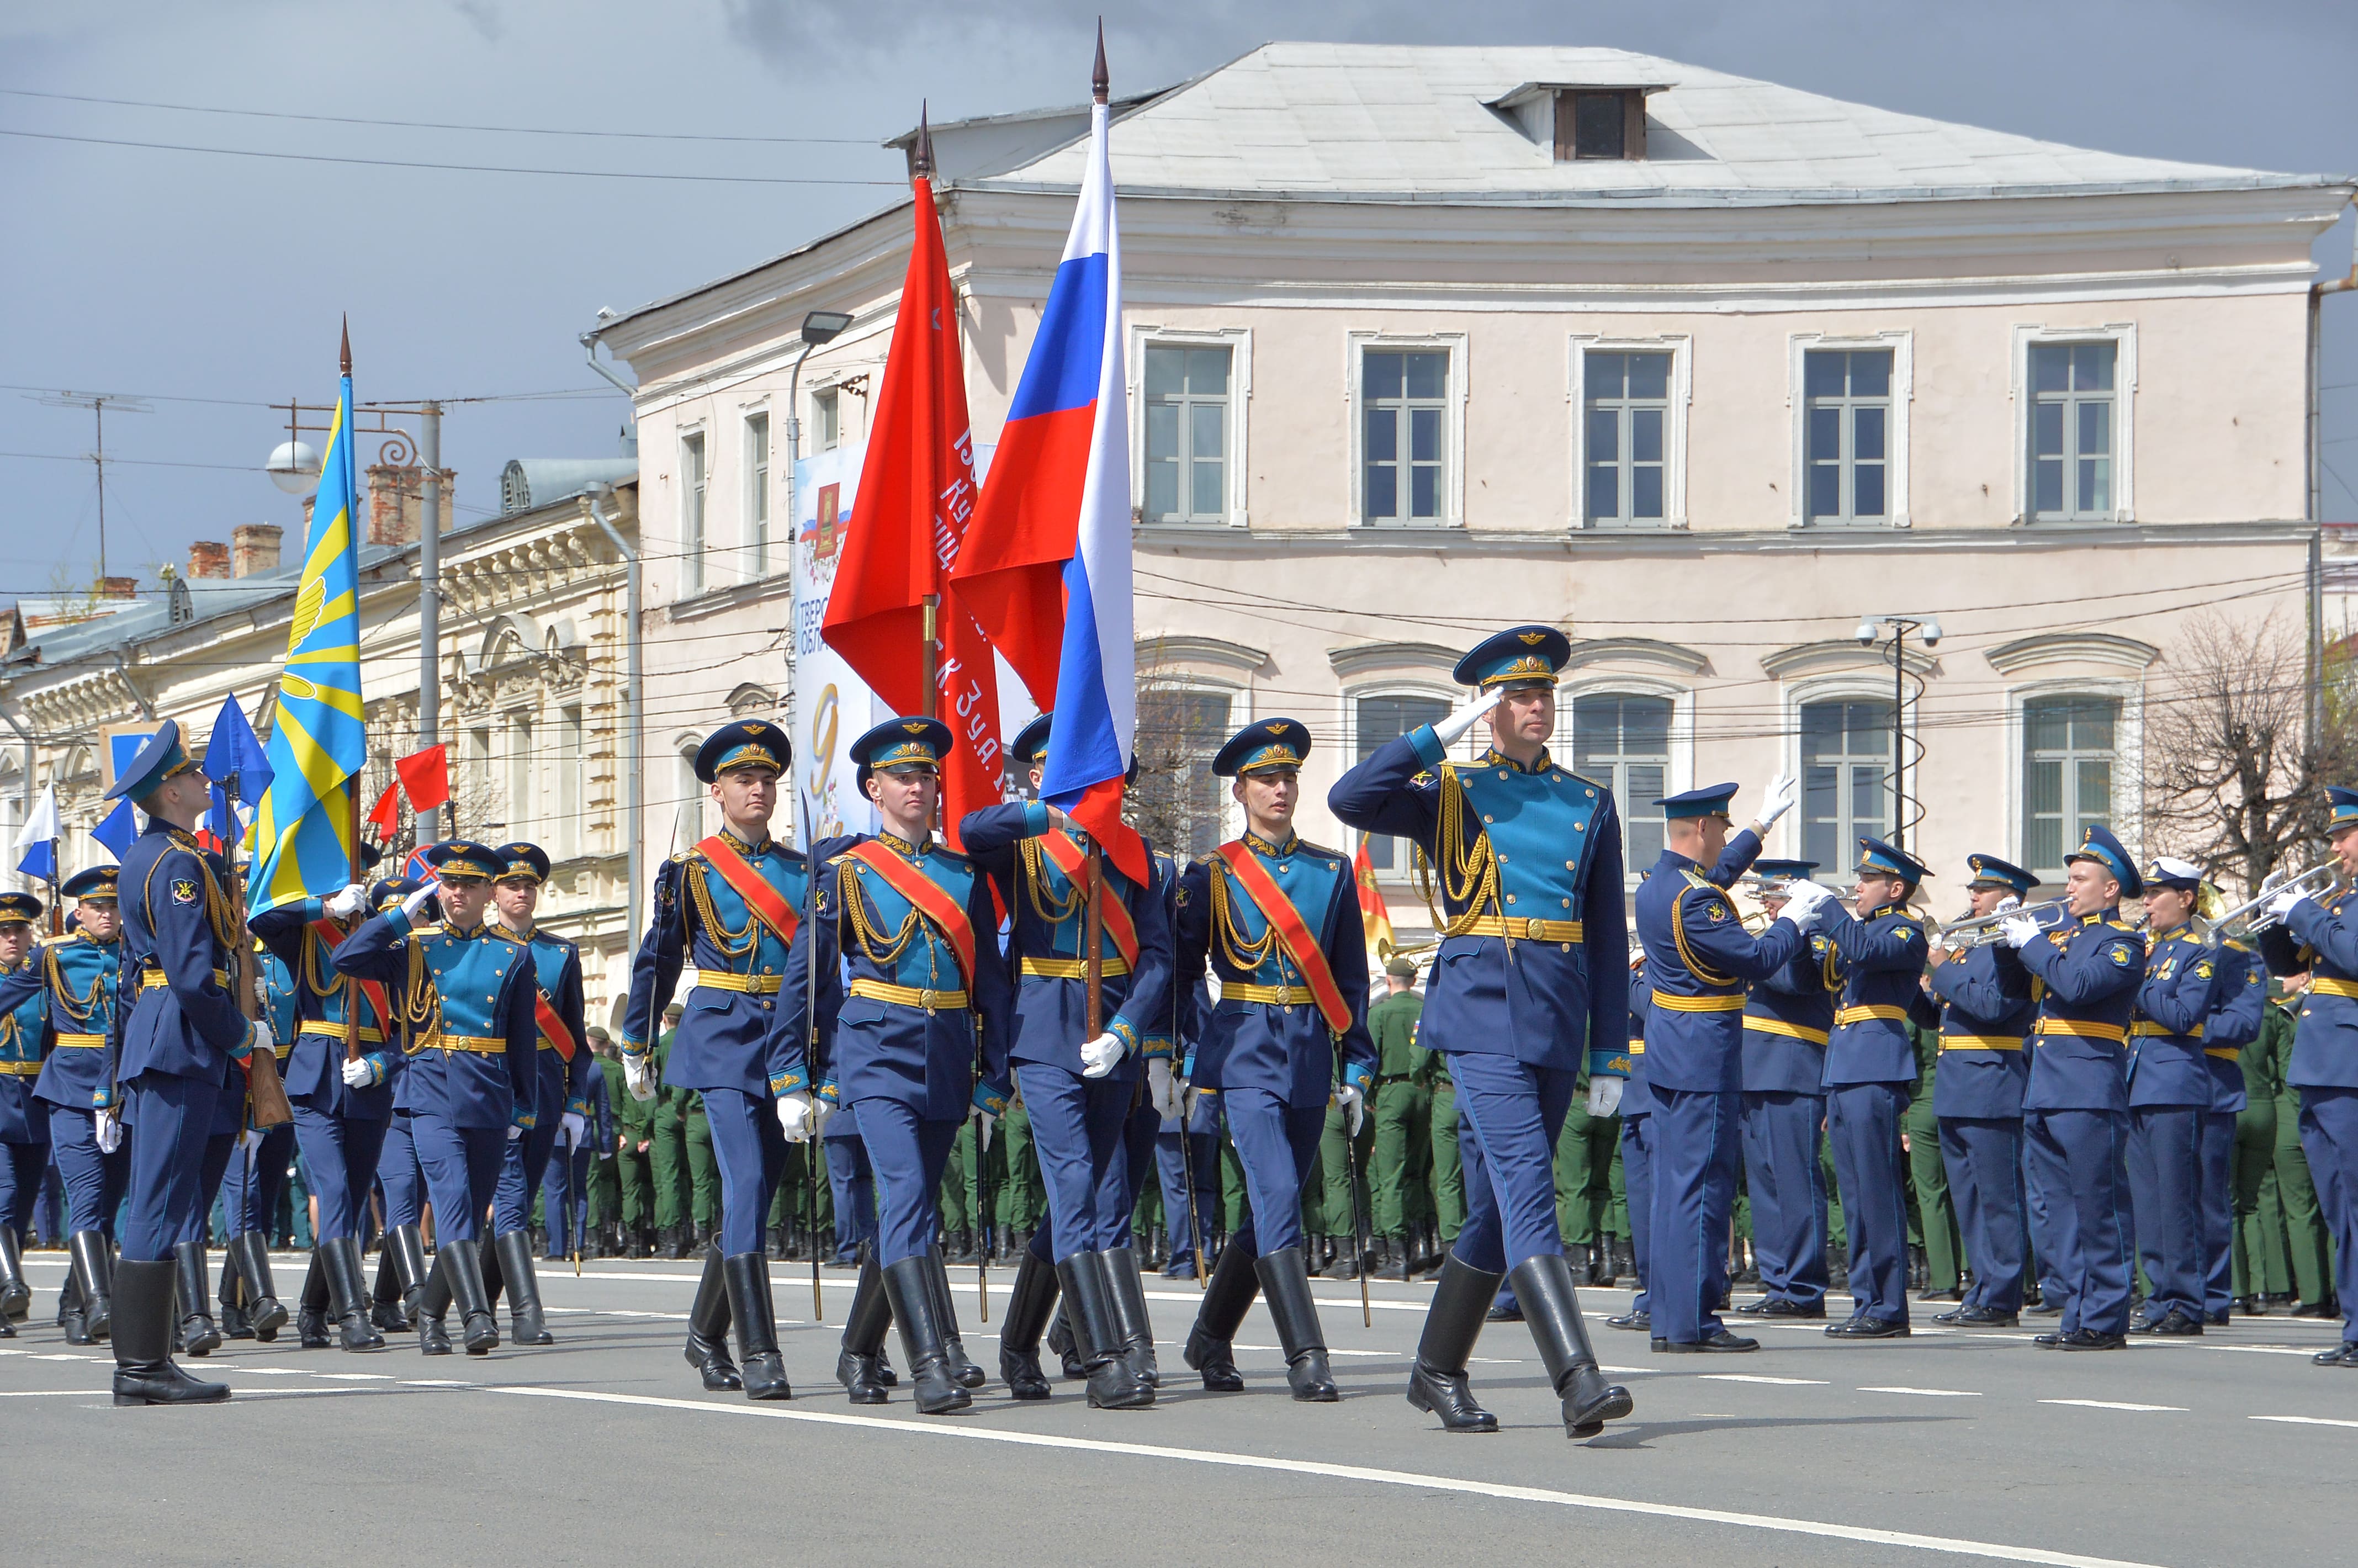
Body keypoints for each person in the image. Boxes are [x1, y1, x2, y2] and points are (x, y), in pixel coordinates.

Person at [1330, 627, 1642, 1438]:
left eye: (1541, 694)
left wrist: (1609, 1051)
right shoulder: (1451, 787)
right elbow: (1350, 800)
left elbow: (1607, 935)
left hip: (1555, 1011)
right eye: (1516, 696)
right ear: (1488, 709)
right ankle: (1576, 1378)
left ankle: (1434, 1370)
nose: (1534, 707)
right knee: (1525, 1184)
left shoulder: (1588, 801)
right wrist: (1433, 736)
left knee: (1501, 1211)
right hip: (1478, 1006)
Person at [776, 716, 1013, 1416]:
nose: (918, 786)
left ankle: (857, 1347)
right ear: (873, 788)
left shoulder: (960, 874)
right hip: (874, 1052)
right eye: (903, 777)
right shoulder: (844, 873)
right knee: (908, 1195)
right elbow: (807, 981)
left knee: (905, 1213)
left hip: (944, 1057)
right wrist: (792, 1075)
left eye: (927, 776)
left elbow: (990, 983)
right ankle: (931, 1360)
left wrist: (994, 1075)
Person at [961, 711, 1172, 1408]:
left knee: (1081, 1194)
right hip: (1045, 1032)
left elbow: (1158, 956)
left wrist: (1126, 1029)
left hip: (1110, 1036)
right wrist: (1043, 814)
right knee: (1075, 1177)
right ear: (1037, 775)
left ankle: (1022, 1340)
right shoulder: (1027, 845)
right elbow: (972, 832)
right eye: (1062, 772)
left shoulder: (1134, 854)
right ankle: (1105, 1354)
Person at [1159, 717, 1370, 1408]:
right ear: (1240, 790)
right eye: (1266, 779)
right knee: (1277, 1194)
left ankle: (1209, 1336)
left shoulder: (1330, 870)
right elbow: (1184, 970)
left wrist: (1357, 1065)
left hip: (1311, 1048)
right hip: (1243, 1047)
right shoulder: (1209, 874)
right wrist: (1184, 1052)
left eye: (1287, 778)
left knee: (1269, 1208)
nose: (1280, 789)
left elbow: (1349, 976)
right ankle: (1306, 1352)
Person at [619, 719, 812, 1402]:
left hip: (784, 1045)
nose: (757, 789)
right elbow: (658, 959)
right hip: (723, 1039)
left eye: (766, 779)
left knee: (753, 1198)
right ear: (717, 790)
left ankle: (704, 1331)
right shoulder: (692, 871)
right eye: (743, 780)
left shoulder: (802, 871)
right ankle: (759, 1346)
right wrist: (637, 1041)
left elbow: (815, 972)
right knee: (749, 1180)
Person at [103, 722, 273, 1405]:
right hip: (181, 1038)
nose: (206, 781)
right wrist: (241, 1034)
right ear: (171, 790)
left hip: (167, 1037)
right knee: (158, 1200)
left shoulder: (158, 853)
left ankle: (152, 1359)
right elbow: (189, 973)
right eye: (194, 775)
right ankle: (141, 1366)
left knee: (174, 1199)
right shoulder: (175, 863)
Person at [1626, 778, 1821, 1357]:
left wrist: (1761, 826)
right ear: (1705, 828)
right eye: (1726, 828)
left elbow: (1713, 882)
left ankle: (1667, 1314)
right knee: (1702, 1189)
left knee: (1670, 1188)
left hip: (1667, 1045)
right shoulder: (1697, 900)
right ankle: (1693, 1321)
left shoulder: (1660, 885)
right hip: (1702, 1053)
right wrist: (1797, 920)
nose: (1725, 839)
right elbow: (1759, 958)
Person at [334, 840, 537, 1356]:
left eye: (470, 886)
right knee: (450, 1199)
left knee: (471, 1204)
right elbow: (348, 958)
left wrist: (524, 1107)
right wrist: (399, 919)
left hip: (489, 1089)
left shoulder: (513, 953)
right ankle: (475, 1315)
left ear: (489, 893)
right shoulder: (415, 947)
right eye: (450, 884)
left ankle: (429, 1314)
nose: (457, 895)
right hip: (432, 1086)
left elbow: (521, 1039)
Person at [2003, 824, 2147, 1352]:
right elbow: (2013, 994)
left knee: (2098, 1208)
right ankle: (2075, 1313)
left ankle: (2105, 1318)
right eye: (2068, 879)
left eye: (2080, 879)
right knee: (2060, 1213)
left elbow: (2077, 987)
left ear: (2109, 890)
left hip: (2088, 1090)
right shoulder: (2062, 940)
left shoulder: (2122, 944)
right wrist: (2006, 943)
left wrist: (2034, 943)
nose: (2068, 888)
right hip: (2044, 1088)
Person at [250, 849, 399, 1353]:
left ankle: (312, 1310)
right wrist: (326, 909)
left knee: (352, 1199)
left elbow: (416, 1023)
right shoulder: (310, 931)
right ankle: (351, 1312)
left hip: (367, 1078)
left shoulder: (392, 936)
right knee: (333, 1192)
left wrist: (380, 1065)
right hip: (314, 1076)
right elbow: (262, 916)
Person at [0, 866, 133, 1347]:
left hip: (126, 1090)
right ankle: (101, 1301)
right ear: (79, 912)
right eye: (98, 906)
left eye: (115, 905)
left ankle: (77, 1307)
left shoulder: (138, 954)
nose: (108, 914)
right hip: (70, 1090)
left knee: (110, 1200)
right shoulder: (54, 957)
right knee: (86, 1194)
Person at [1808, 837, 1932, 1340]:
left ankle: (1887, 1306)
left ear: (1895, 888)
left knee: (1877, 1192)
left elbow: (1861, 948)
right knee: (1855, 1192)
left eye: (1867, 880)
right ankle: (1866, 1299)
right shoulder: (1862, 930)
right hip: (1845, 1068)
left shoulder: (1905, 932)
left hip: (1875, 1068)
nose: (1856, 887)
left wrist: (1825, 909)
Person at [2255, 785, 2358, 1364]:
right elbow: (2287, 966)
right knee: (2339, 1207)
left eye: (2343, 834)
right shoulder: (2339, 902)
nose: (2336, 846)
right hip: (2321, 1069)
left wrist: (2303, 910)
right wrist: (2274, 920)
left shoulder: (2338, 909)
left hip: (2348, 1069)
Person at [1922, 854, 2040, 1327]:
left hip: (1991, 1079)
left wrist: (1941, 970)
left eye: (1984, 889)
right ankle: (1983, 1287)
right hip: (1957, 1081)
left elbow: (1993, 1007)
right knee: (1968, 1198)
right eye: (1974, 887)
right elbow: (1940, 1015)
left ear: (2007, 899)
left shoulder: (2009, 950)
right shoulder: (1968, 945)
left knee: (1997, 1197)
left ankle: (2003, 1293)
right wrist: (1920, 984)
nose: (1973, 894)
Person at [481, 841, 586, 1345]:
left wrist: (577, 1102)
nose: (521, 893)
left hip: (544, 1086)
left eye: (529, 886)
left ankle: (469, 1300)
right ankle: (527, 1313)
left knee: (518, 1197)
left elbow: (575, 1032)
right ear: (494, 892)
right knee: (510, 1196)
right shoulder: (476, 947)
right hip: (495, 1083)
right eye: (512, 885)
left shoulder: (560, 952)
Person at [2126, 857, 2229, 1337]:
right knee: (2147, 1204)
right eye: (2145, 894)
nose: (2146, 903)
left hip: (2173, 1082)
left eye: (2155, 894)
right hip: (2133, 1082)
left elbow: (2184, 1015)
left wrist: (2138, 980)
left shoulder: (2198, 952)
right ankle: (2158, 1298)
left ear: (2185, 899)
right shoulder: (2147, 948)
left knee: (2175, 1200)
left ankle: (2187, 1303)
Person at [1733, 860, 1835, 1321]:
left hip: (1791, 1070)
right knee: (1765, 1185)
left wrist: (1778, 938)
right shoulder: (1768, 937)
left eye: (1775, 894)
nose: (1766, 903)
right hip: (1753, 1071)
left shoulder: (1810, 940)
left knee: (1794, 1182)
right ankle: (1777, 1282)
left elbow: (1796, 982)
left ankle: (1803, 1286)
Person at [0, 891, 49, 1336]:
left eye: (19, 930)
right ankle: (9, 1284)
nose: (13, 938)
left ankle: (7, 1288)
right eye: (3, 931)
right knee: (4, 1194)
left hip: (34, 1099)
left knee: (22, 1205)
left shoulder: (44, 979)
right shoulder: (28, 979)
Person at [1365, 954, 1428, 1283]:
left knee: (1390, 1176)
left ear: (1389, 981)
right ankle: (1422, 1248)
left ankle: (1397, 1255)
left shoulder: (1380, 1013)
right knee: (1418, 1172)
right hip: (1424, 1092)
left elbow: (1369, 1060)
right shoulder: (1424, 1009)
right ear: (1414, 982)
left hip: (1391, 1093)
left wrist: (1370, 1098)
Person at [1606, 947, 1655, 1334]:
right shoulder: (1637, 967)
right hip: (1632, 1095)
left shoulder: (1663, 962)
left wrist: (1623, 973)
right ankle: (1651, 1294)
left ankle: (1671, 1295)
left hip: (1656, 1091)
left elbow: (1648, 1007)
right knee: (1640, 1206)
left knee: (1663, 1204)